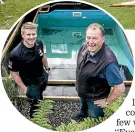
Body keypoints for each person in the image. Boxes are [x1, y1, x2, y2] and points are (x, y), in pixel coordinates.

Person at [75, 23, 125, 119]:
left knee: (95, 117)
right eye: (88, 37)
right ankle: (82, 113)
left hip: (95, 99)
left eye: (94, 38)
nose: (90, 42)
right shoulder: (84, 47)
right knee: (83, 105)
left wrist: (107, 102)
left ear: (103, 38)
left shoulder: (108, 63)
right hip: (83, 90)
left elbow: (120, 88)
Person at [8, 22, 50, 118]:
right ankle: (36, 119)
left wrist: (47, 68)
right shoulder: (16, 54)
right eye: (28, 34)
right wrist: (25, 89)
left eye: (33, 34)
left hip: (42, 76)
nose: (31, 37)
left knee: (41, 93)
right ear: (22, 35)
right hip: (30, 84)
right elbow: (14, 74)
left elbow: (42, 55)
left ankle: (42, 105)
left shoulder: (39, 43)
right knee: (34, 104)